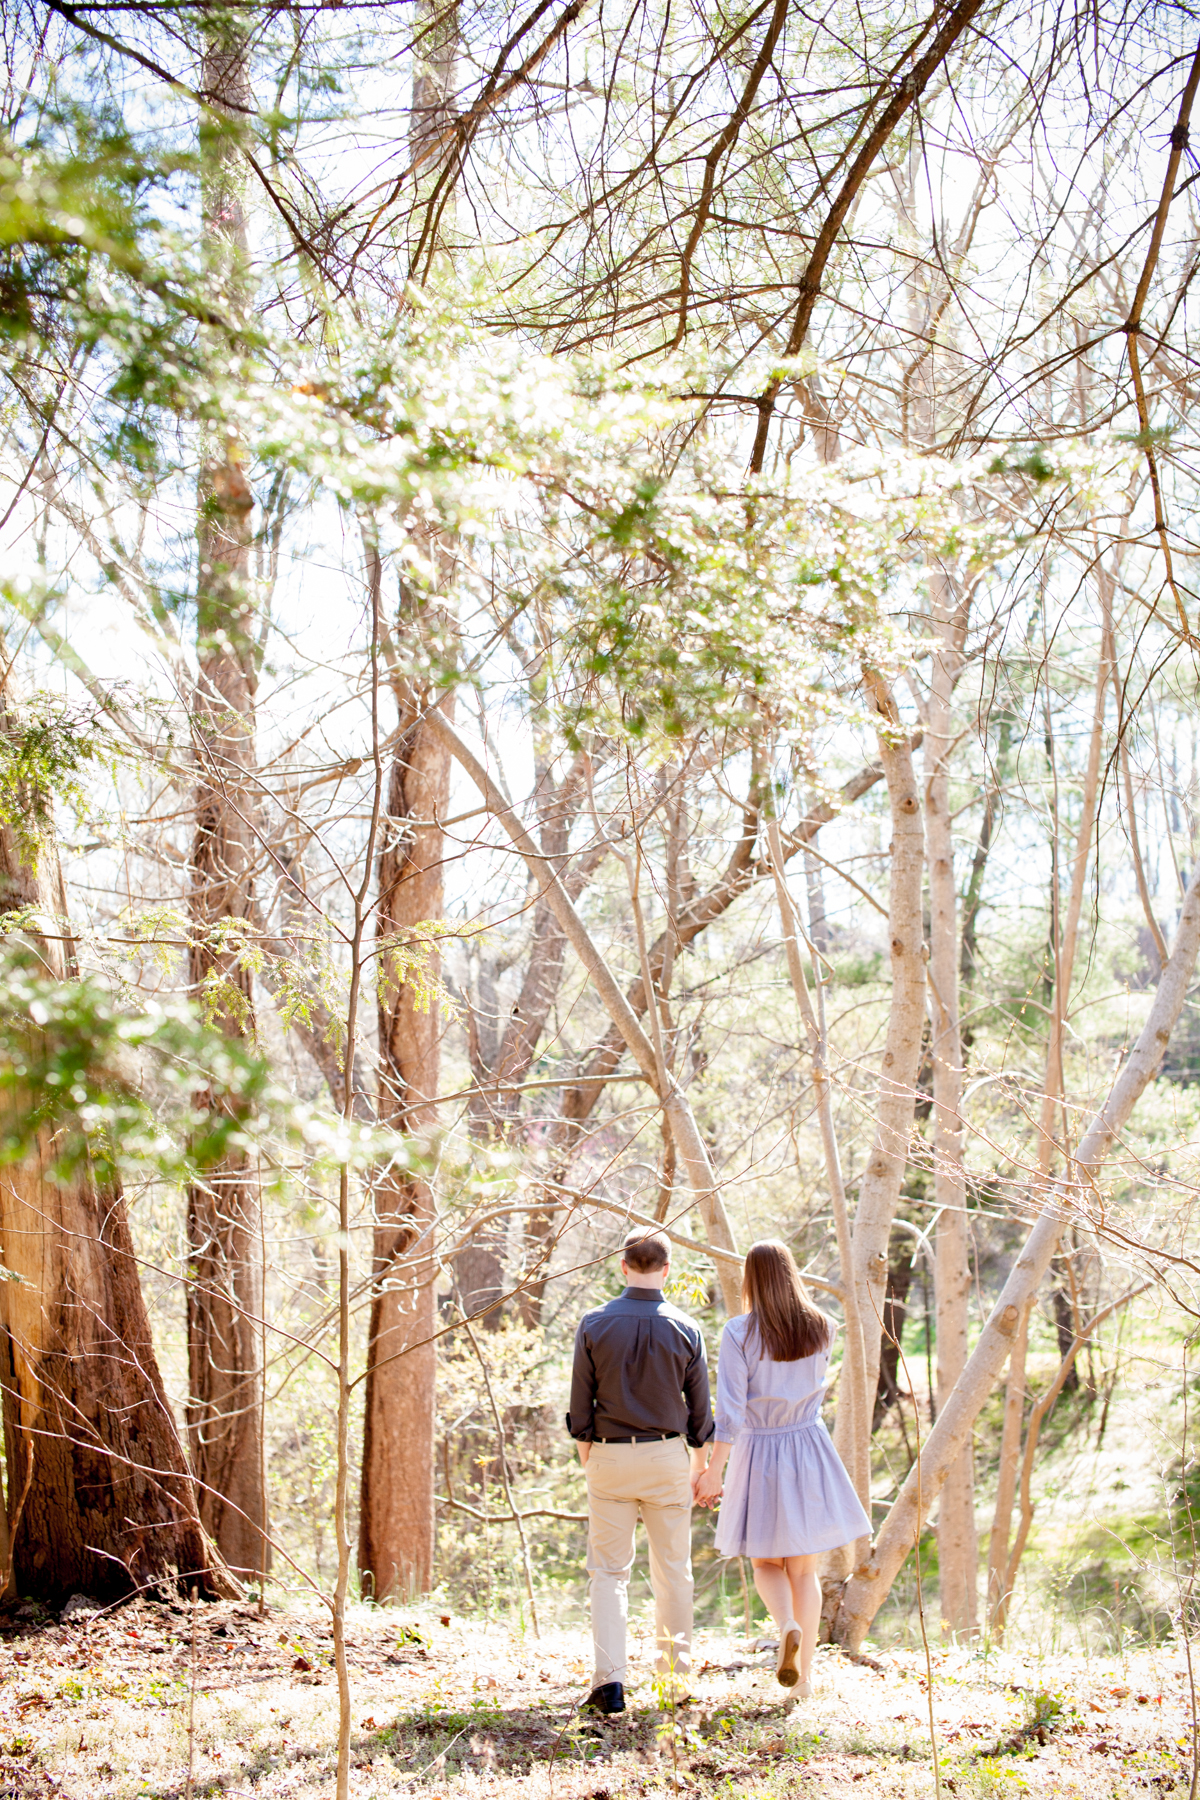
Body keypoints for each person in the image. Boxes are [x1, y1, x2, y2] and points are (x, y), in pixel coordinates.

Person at [693, 1239, 869, 1696]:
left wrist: (714, 1470)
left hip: (759, 1450)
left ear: (751, 1279)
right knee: (804, 1571)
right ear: (792, 1273)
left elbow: (730, 1411)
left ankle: (785, 1623)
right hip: (809, 1447)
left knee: (766, 1562)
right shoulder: (824, 1326)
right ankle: (803, 1680)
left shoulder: (738, 1332)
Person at [567, 1227, 715, 1716]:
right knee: (673, 1572)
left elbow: (579, 1401)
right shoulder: (687, 1328)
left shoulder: (593, 1323)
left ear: (624, 1266)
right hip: (667, 1457)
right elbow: (700, 1414)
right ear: (667, 1269)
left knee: (608, 1572)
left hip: (609, 1454)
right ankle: (673, 1684)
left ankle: (609, 1683)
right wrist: (699, 1466)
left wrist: (589, 1452)